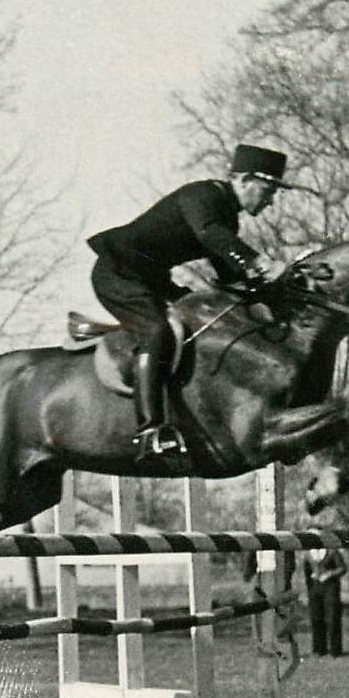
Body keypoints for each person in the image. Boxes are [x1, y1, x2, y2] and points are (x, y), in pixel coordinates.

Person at [88, 143, 293, 463]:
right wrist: (259, 263)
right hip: (118, 274)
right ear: (244, 180)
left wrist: (271, 295)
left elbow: (229, 279)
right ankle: (150, 431)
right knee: (157, 332)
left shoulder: (226, 218)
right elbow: (212, 236)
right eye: (268, 190)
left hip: (151, 280)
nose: (270, 201)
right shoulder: (204, 197)